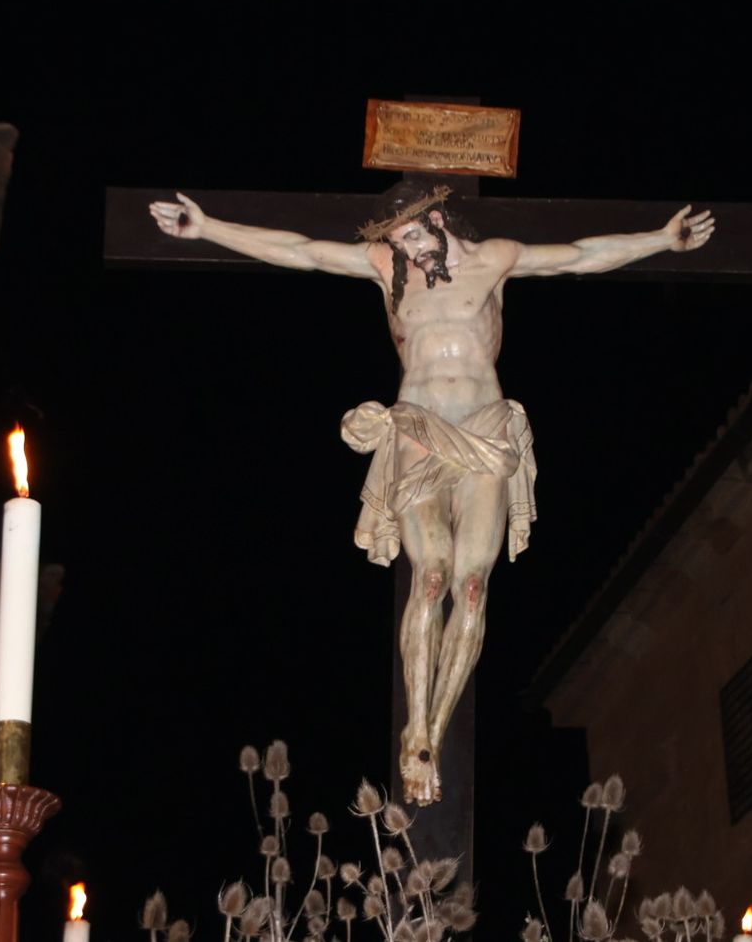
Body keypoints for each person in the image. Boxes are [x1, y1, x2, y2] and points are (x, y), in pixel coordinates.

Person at [149, 185, 715, 804]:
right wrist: (207, 228)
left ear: (439, 220)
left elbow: (579, 255)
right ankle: (413, 726)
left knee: (473, 584)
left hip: (485, 428)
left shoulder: (494, 258)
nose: (408, 253)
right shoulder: (384, 268)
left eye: (414, 237)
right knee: (432, 576)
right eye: (396, 243)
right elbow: (303, 252)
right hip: (417, 427)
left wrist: (663, 239)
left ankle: (432, 734)